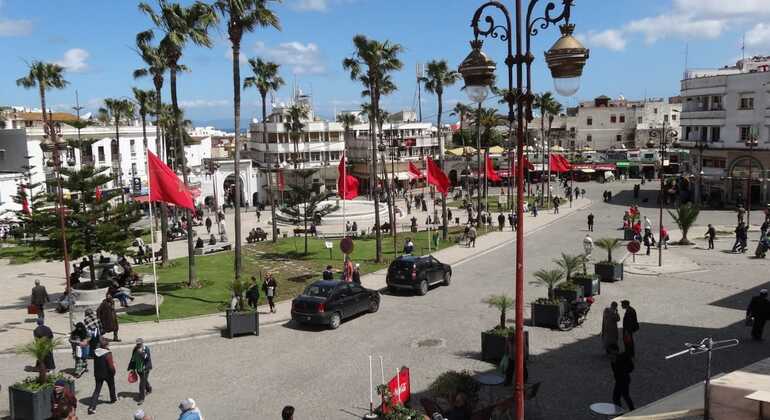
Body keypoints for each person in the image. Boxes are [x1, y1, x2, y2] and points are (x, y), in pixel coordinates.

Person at [87, 338, 117, 415]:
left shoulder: (96, 352)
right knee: (111, 386)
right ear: (106, 345)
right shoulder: (108, 354)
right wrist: (114, 371)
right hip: (107, 374)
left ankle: (92, 407)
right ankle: (113, 399)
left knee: (97, 390)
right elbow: (111, 366)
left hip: (98, 374)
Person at [609, 344, 635, 411]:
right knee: (624, 395)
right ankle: (631, 409)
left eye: (612, 352)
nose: (611, 354)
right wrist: (613, 362)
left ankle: (621, 411)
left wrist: (615, 363)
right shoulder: (615, 358)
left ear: (615, 351)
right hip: (621, 380)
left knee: (618, 397)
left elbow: (620, 370)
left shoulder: (621, 358)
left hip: (623, 380)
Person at [128, 338, 153, 405]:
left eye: (139, 344)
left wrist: (141, 352)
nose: (138, 345)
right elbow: (133, 359)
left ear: (142, 343)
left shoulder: (146, 349)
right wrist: (132, 368)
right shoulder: (135, 349)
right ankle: (149, 389)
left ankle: (142, 398)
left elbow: (147, 358)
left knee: (142, 384)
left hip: (145, 369)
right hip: (138, 369)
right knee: (144, 380)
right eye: (137, 344)